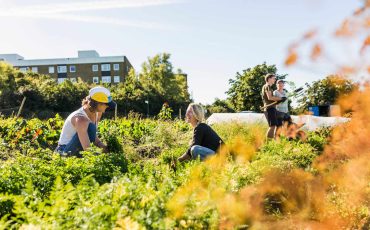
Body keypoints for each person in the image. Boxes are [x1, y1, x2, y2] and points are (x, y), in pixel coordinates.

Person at [55, 86, 116, 157]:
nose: (107, 106)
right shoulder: (81, 119)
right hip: (63, 151)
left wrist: (104, 147)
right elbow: (87, 150)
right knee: (90, 127)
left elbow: (92, 135)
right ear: (98, 103)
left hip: (77, 148)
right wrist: (101, 158)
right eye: (106, 104)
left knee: (91, 128)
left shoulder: (98, 113)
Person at [261, 73, 286, 139]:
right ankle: (268, 142)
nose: (275, 79)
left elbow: (272, 100)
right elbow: (270, 97)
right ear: (269, 79)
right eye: (273, 78)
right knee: (272, 126)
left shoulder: (268, 87)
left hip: (272, 108)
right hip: (269, 108)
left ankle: (275, 140)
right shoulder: (267, 86)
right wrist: (281, 98)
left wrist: (279, 101)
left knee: (276, 125)